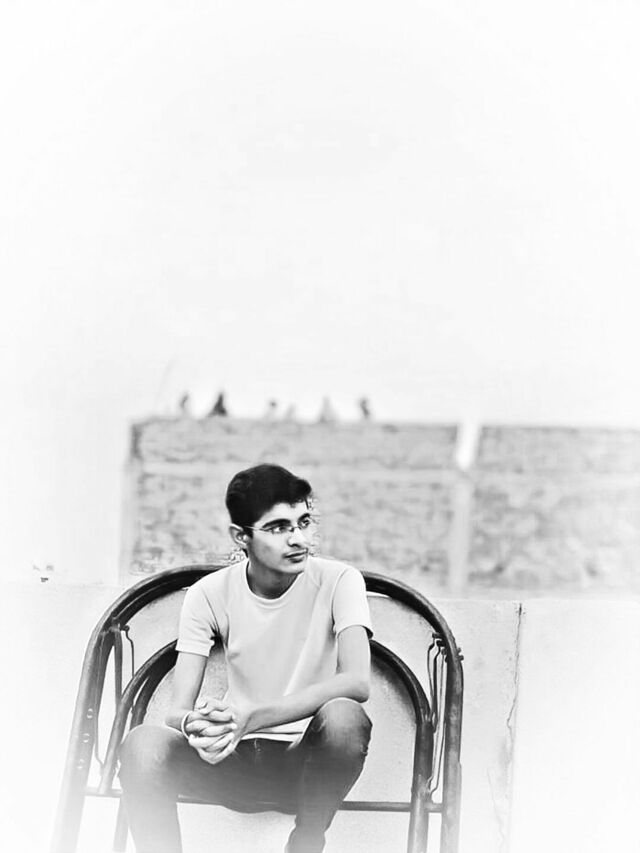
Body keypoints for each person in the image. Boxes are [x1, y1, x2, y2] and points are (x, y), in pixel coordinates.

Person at [119, 463, 373, 853]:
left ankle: (306, 844)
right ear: (241, 536)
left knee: (345, 717)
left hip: (305, 770)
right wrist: (202, 724)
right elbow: (176, 712)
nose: (299, 539)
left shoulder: (341, 580)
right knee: (142, 744)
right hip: (229, 762)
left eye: (304, 523)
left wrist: (251, 716)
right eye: (279, 528)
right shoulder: (208, 593)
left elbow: (356, 681)